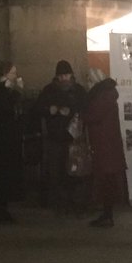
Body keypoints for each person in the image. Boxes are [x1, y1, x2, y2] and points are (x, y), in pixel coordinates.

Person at [35, 60, 86, 213]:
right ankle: (59, 201)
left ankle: (73, 200)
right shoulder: (49, 90)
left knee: (73, 170)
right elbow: (38, 108)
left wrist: (69, 111)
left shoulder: (78, 90)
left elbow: (84, 108)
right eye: (61, 76)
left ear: (71, 75)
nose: (64, 78)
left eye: (66, 75)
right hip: (55, 136)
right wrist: (49, 110)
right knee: (56, 170)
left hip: (73, 138)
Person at [83, 76, 127, 228]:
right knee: (108, 181)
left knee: (106, 181)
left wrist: (82, 115)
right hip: (109, 145)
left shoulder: (103, 97)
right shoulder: (109, 95)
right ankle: (107, 213)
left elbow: (93, 116)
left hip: (104, 146)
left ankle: (107, 215)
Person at [0, 61, 23, 224]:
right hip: (2, 138)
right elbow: (4, 108)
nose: (15, 76)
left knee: (6, 173)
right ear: (5, 74)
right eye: (13, 73)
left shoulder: (2, 89)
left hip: (8, 137)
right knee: (1, 172)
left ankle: (2, 207)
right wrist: (17, 91)